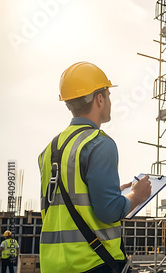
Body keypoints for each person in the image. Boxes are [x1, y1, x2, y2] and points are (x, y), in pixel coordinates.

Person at [38, 61, 152, 272]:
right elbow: (109, 212)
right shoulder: (100, 144)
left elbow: (58, 204)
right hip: (92, 263)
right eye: (108, 96)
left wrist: (109, 193)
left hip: (52, 263)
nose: (109, 102)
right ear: (100, 98)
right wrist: (135, 196)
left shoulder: (49, 150)